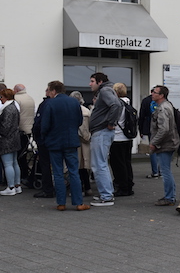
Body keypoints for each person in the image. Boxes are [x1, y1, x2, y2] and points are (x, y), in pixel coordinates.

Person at [40, 80, 88, 211]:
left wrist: (45, 137)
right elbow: (79, 121)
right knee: (73, 172)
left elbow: (44, 125)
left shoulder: (50, 104)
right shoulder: (74, 102)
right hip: (71, 141)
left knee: (58, 172)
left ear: (53, 90)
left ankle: (61, 203)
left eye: (49, 90)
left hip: (54, 142)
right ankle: (78, 203)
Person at [88, 72, 121, 206]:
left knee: (99, 165)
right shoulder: (108, 90)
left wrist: (111, 123)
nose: (89, 84)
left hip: (101, 132)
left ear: (100, 81)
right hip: (102, 131)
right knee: (101, 164)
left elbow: (116, 105)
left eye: (92, 81)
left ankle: (106, 196)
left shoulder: (105, 90)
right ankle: (106, 193)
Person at [148, 84, 180, 205]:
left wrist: (154, 142)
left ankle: (169, 197)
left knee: (165, 171)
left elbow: (164, 129)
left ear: (161, 95)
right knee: (166, 170)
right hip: (169, 142)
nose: (152, 94)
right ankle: (170, 196)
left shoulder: (162, 108)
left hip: (166, 144)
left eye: (155, 92)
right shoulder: (166, 105)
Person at [110, 82, 135, 197]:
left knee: (118, 164)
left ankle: (122, 187)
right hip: (128, 138)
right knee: (127, 162)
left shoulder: (117, 104)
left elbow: (113, 120)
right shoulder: (129, 104)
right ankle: (129, 185)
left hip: (117, 137)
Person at [0, 89, 23, 195]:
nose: (0, 99)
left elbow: (5, 126)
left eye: (1, 97)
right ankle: (17, 185)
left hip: (6, 140)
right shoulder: (14, 107)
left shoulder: (7, 109)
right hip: (15, 138)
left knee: (8, 164)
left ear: (6, 97)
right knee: (15, 163)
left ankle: (10, 187)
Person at [70, 91, 93, 196]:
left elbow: (82, 129)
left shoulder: (78, 111)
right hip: (85, 142)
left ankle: (82, 189)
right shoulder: (86, 111)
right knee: (84, 166)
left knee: (78, 165)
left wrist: (85, 137)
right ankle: (87, 187)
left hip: (79, 141)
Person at [139, 91, 161, 179]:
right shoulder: (162, 101)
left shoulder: (146, 101)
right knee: (160, 149)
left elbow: (141, 116)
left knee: (152, 149)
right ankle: (161, 171)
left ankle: (155, 172)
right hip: (161, 127)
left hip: (150, 127)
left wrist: (140, 129)